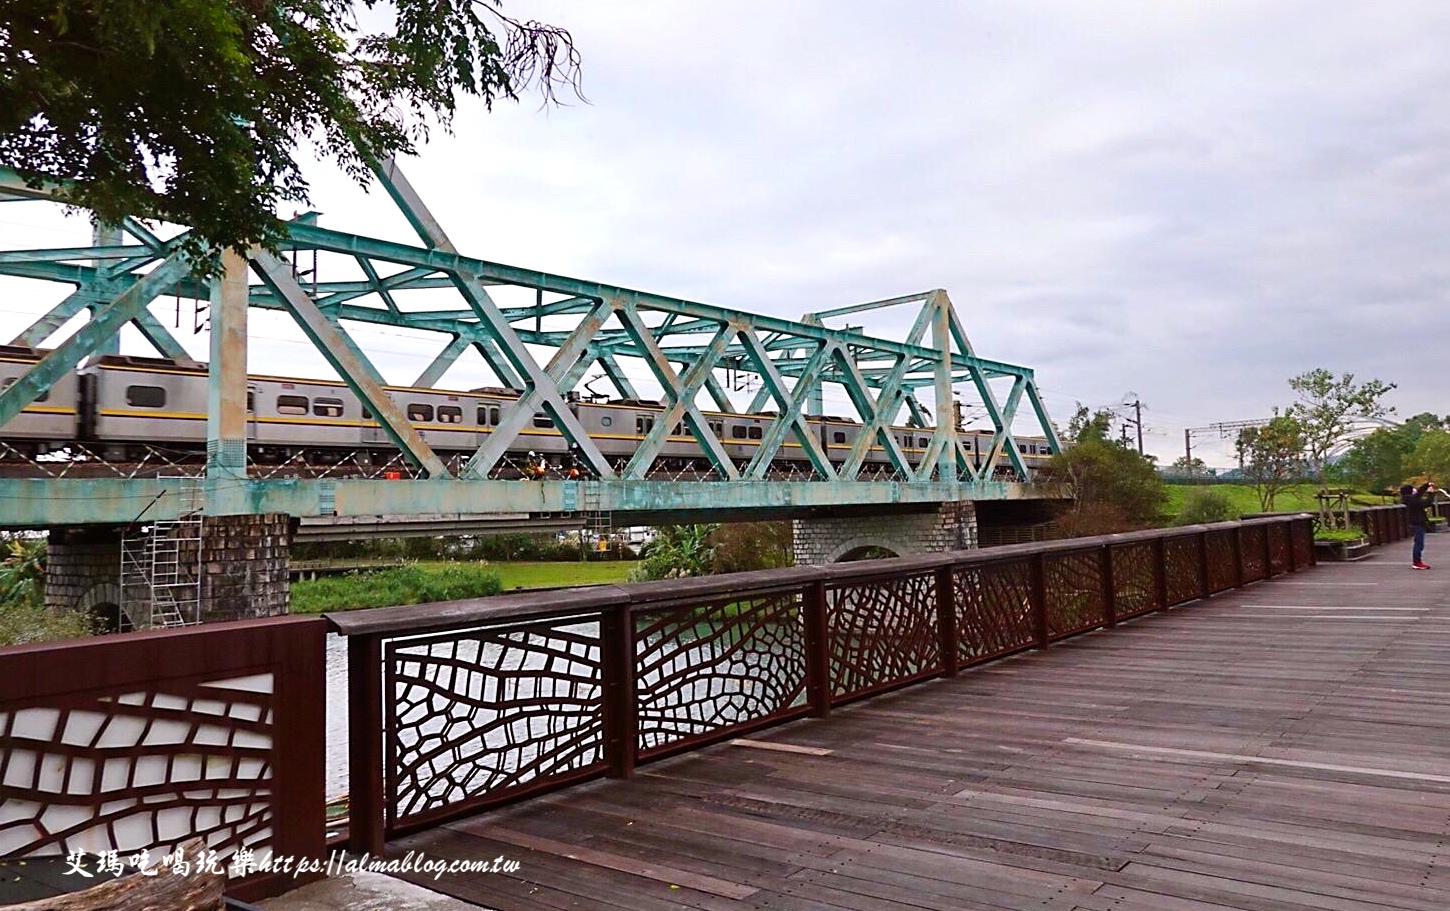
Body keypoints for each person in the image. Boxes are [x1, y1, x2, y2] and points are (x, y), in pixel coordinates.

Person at [1401, 481, 1437, 569]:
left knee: (1419, 543)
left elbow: (1419, 493)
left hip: (1416, 523)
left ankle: (1417, 562)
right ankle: (1417, 562)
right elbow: (1427, 503)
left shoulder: (1408, 499)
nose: (1415, 490)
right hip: (1418, 523)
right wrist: (1431, 494)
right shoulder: (1412, 500)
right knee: (1419, 544)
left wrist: (1427, 485)